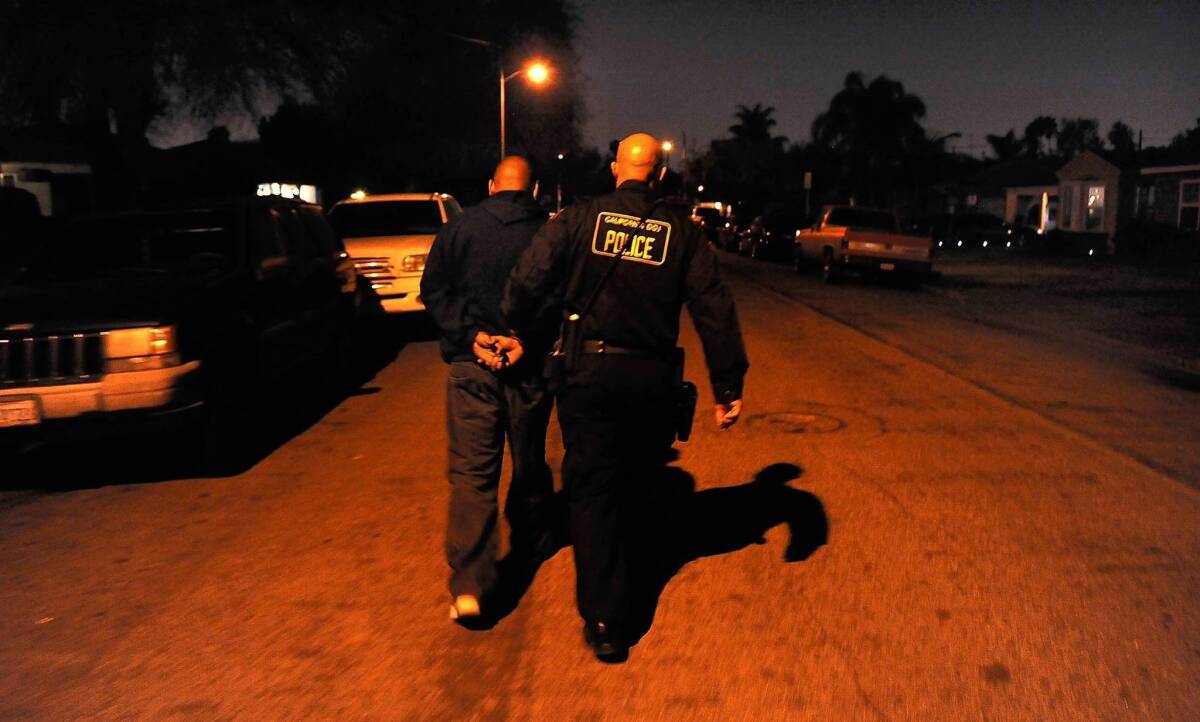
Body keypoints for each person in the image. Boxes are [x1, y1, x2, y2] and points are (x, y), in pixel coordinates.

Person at [501, 133, 749, 661]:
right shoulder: (683, 233)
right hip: (650, 379)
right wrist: (728, 384)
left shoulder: (579, 217)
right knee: (638, 486)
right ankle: (632, 584)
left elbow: (526, 281)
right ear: (659, 174)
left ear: (617, 168)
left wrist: (521, 325)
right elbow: (714, 309)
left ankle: (606, 618)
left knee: (592, 492)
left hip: (587, 374)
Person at [420, 156, 557, 625]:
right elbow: (559, 299)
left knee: (473, 475)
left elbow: (433, 289)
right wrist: (523, 341)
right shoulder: (548, 231)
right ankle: (533, 536)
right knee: (529, 458)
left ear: (492, 183)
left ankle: (470, 585)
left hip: (470, 365)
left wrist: (470, 335)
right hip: (529, 367)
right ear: (534, 189)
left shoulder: (459, 229)